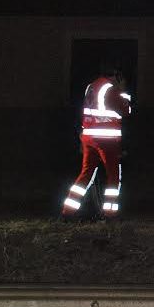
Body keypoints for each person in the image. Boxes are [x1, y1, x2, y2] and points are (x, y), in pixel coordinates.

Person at [61, 66, 132, 220]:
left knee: (86, 174)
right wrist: (123, 91)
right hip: (106, 140)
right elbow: (126, 110)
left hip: (89, 137)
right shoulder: (110, 89)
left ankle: (68, 211)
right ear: (117, 76)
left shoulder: (91, 87)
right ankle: (110, 214)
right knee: (113, 176)